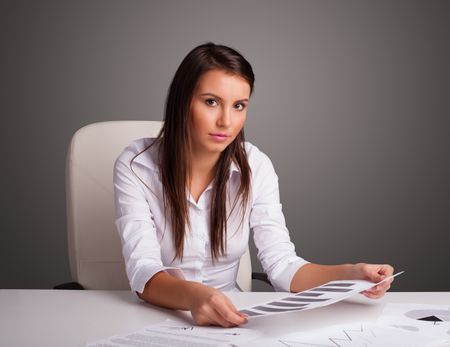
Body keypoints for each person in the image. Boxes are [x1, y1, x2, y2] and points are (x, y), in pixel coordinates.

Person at [113, 42, 394, 328]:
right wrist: (195, 297)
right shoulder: (137, 165)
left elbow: (282, 266)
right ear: (182, 101)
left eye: (238, 106)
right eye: (211, 102)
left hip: (233, 322)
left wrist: (351, 274)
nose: (226, 121)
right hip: (155, 319)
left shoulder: (255, 166)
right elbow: (143, 270)